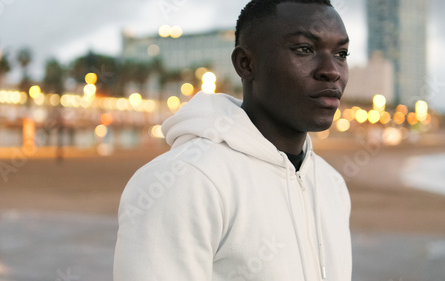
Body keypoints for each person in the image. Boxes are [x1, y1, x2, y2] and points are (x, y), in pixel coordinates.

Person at [113, 0, 352, 280]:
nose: (332, 70)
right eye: (304, 49)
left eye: (341, 53)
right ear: (246, 63)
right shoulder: (183, 182)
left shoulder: (331, 184)